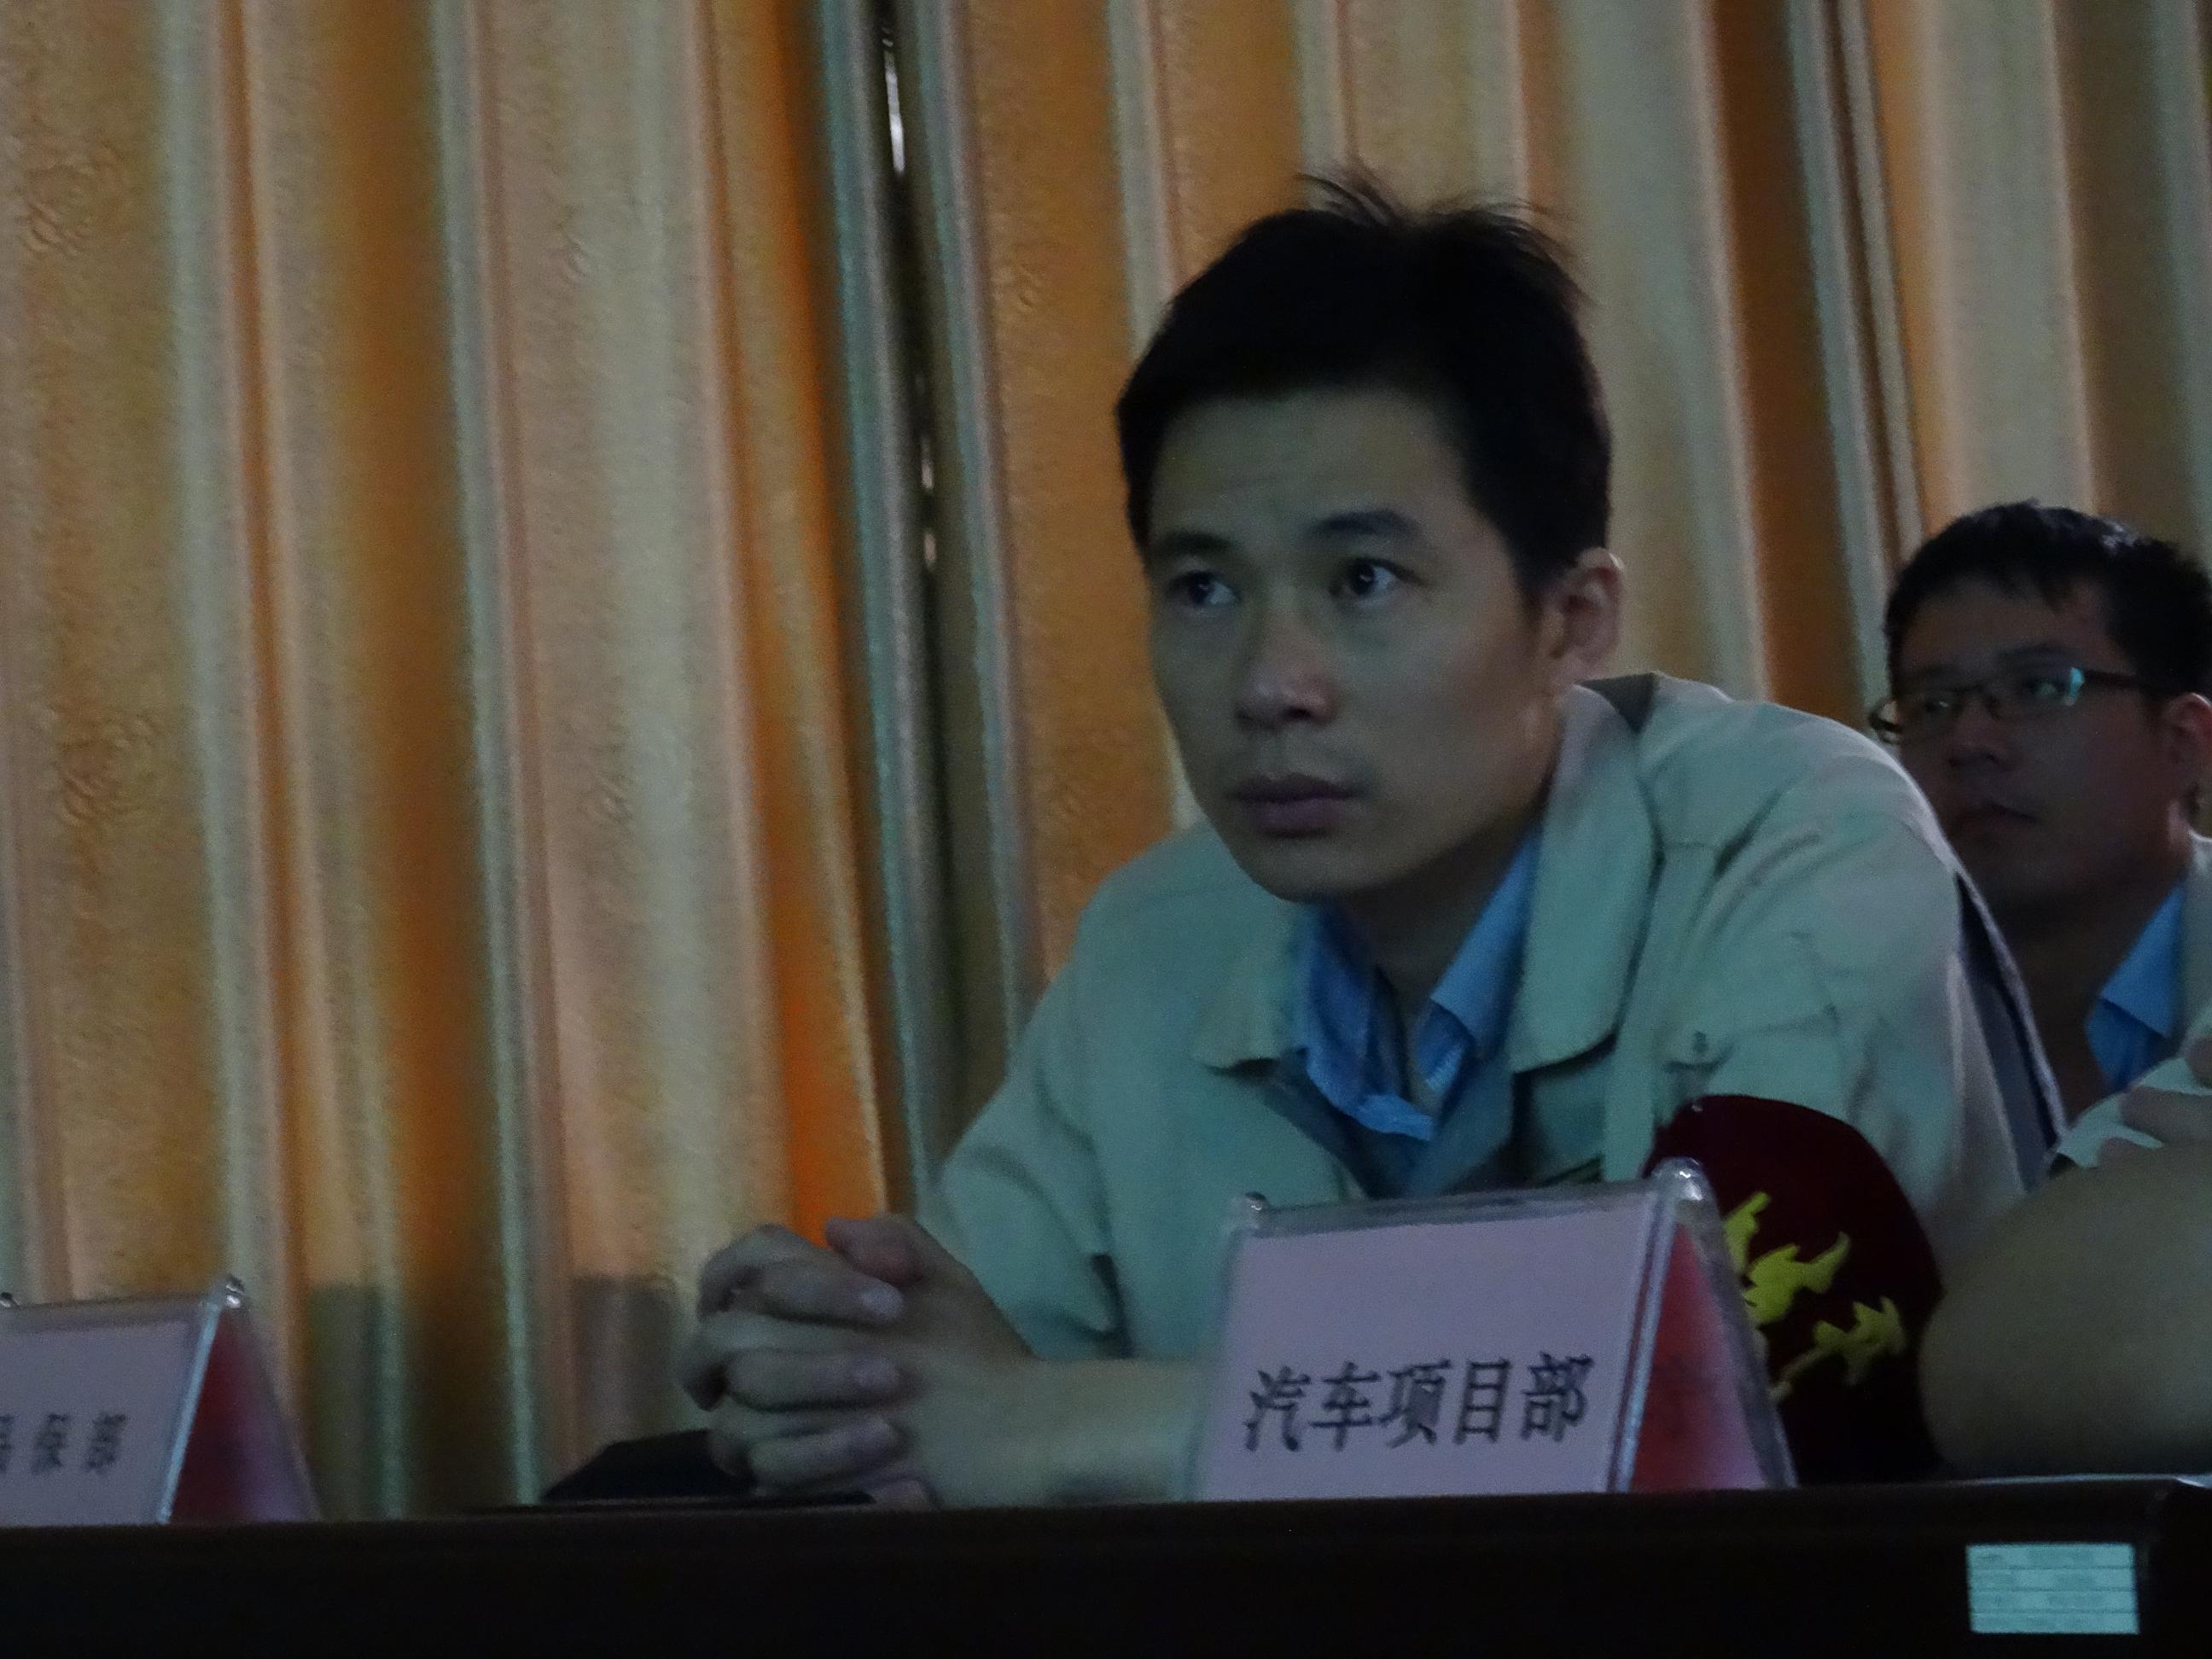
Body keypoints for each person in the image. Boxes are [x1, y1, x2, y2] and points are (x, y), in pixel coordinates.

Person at [679, 182, 2022, 1505]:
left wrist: (1059, 1425)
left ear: (1571, 620)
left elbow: (1720, 1393)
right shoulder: (1157, 940)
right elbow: (969, 1382)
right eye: (1203, 588)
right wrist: (839, 1371)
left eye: (1363, 580)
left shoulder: (1795, 844)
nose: (1272, 683)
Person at [1875, 503, 2212, 1155]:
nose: (1969, 741)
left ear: (2182, 743)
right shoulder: (1852, 996)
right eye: (1932, 705)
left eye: (2038, 688)